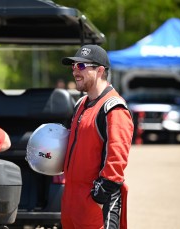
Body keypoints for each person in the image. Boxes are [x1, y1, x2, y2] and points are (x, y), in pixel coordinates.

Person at [60, 45, 134, 229]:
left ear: (100, 70)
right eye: (74, 66)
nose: (76, 71)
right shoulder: (81, 103)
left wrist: (99, 197)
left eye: (82, 66)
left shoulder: (114, 108)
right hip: (71, 203)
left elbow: (116, 161)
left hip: (95, 207)